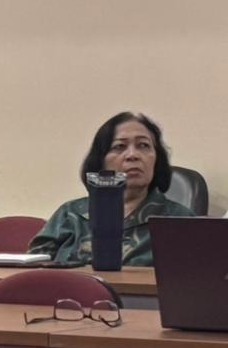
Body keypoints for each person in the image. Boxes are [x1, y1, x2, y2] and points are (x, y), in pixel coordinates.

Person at [28, 112, 194, 266]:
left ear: (157, 159)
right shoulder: (70, 214)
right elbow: (33, 272)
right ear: (101, 160)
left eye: (143, 145)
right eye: (119, 147)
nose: (132, 155)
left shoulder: (180, 221)